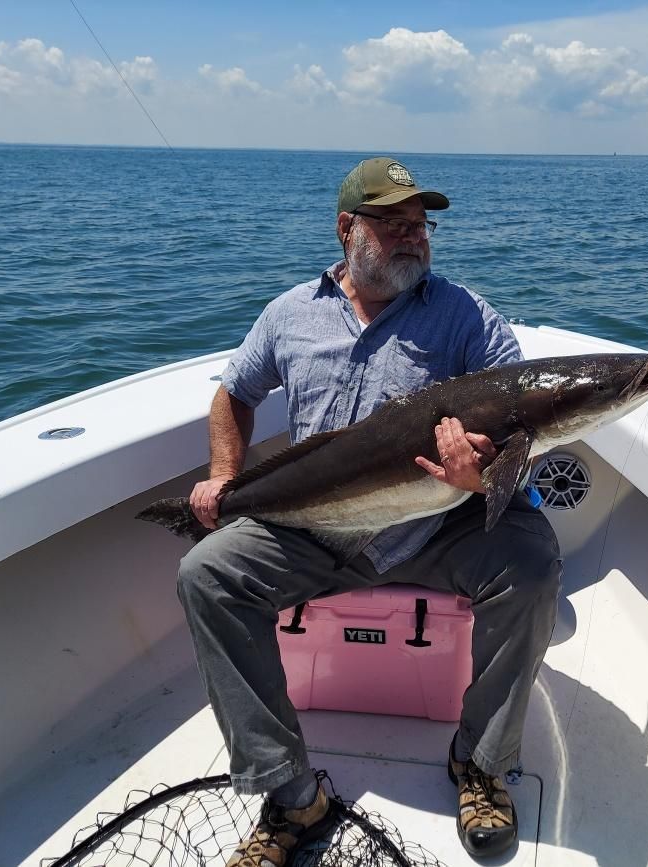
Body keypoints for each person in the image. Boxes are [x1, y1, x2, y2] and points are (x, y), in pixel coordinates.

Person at [176, 157, 562, 867]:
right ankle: (293, 797)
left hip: (436, 521)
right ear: (347, 228)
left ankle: (478, 762)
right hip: (317, 527)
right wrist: (225, 475)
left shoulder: (469, 317)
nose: (414, 237)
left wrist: (476, 476)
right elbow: (234, 393)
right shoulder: (288, 314)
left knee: (533, 560)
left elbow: (522, 428)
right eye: (393, 224)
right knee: (206, 573)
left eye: (421, 225)